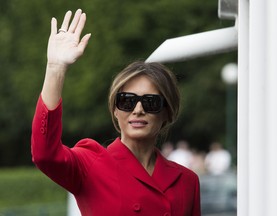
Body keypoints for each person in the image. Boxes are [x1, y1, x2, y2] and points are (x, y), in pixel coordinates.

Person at [31, 9, 201, 216]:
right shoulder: (91, 165)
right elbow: (45, 155)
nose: (138, 110)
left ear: (167, 111)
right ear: (115, 110)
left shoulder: (187, 181)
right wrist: (55, 68)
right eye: (127, 101)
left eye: (150, 102)